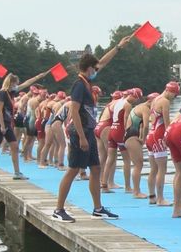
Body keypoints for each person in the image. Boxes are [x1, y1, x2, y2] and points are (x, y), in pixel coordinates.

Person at [52, 35, 130, 223]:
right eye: (94, 69)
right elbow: (75, 112)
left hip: (88, 130)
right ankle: (58, 209)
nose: (97, 71)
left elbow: (102, 62)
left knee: (96, 168)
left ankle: (98, 208)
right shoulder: (79, 86)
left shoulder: (87, 81)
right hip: (79, 132)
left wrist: (118, 47)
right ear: (88, 69)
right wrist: (81, 137)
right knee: (72, 169)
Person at [0, 71, 50, 181]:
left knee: (15, 146)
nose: (17, 85)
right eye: (15, 83)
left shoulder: (11, 92)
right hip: (1, 122)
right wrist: (2, 126)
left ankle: (17, 172)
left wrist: (39, 76)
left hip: (7, 123)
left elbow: (26, 84)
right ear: (11, 83)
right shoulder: (3, 93)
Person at [102, 88, 143, 193]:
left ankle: (104, 185)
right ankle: (128, 187)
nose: (136, 101)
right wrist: (127, 133)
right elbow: (125, 120)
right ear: (133, 96)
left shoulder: (118, 102)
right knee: (127, 160)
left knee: (110, 158)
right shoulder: (127, 105)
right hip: (119, 131)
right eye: (136, 99)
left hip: (112, 130)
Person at [145, 81, 179, 206]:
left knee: (153, 169)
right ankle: (160, 199)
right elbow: (166, 123)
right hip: (158, 138)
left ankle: (152, 196)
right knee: (161, 169)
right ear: (170, 91)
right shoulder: (165, 101)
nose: (174, 98)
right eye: (174, 95)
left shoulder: (155, 99)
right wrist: (169, 138)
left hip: (150, 136)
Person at [124, 92, 157, 198]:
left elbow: (141, 125)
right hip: (132, 137)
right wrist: (143, 139)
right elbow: (146, 126)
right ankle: (136, 192)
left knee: (138, 164)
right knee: (138, 165)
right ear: (151, 101)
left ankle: (136, 190)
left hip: (129, 136)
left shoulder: (138, 107)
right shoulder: (145, 109)